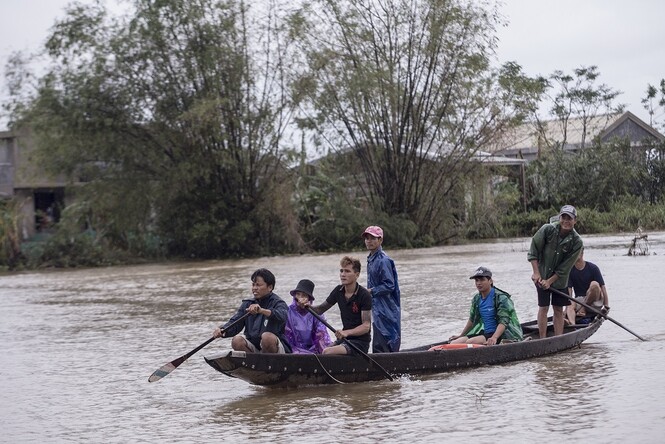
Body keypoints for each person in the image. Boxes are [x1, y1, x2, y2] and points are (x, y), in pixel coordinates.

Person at [528, 204, 583, 338]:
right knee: (543, 307)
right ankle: (542, 339)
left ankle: (558, 338)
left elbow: (565, 267)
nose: (566, 221)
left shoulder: (577, 242)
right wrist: (536, 273)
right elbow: (533, 250)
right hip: (542, 276)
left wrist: (550, 281)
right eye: (563, 217)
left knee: (558, 309)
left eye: (569, 218)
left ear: (574, 221)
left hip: (560, 281)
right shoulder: (547, 230)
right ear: (559, 218)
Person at [212, 268, 291, 353]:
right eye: (253, 285)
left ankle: (267, 363)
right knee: (237, 340)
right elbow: (235, 322)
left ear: (270, 287)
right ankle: (257, 363)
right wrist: (222, 330)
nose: (254, 288)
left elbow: (284, 316)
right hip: (255, 348)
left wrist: (262, 311)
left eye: (258, 285)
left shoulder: (278, 302)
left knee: (267, 337)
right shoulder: (247, 304)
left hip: (276, 349)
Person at [307, 256, 372, 355]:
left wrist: (346, 332)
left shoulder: (364, 295)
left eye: (347, 271)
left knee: (327, 352)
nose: (343, 275)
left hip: (360, 343)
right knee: (321, 351)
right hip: (345, 339)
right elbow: (320, 310)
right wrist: (307, 306)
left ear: (357, 275)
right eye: (341, 271)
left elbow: (366, 326)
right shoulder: (338, 291)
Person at [449, 267, 523, 345]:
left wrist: (494, 337)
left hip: (502, 335)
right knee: (454, 343)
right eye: (476, 280)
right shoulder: (476, 299)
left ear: (490, 281)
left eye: (482, 280)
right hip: (485, 333)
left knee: (470, 342)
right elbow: (472, 320)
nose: (478, 283)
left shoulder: (501, 298)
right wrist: (461, 335)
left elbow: (504, 321)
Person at [362, 225, 401, 353]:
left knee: (386, 337)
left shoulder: (383, 260)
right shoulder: (371, 259)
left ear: (380, 240)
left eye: (373, 238)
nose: (369, 241)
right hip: (378, 307)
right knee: (379, 338)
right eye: (367, 238)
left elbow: (390, 285)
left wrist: (371, 291)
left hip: (387, 308)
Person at [284, 279, 333, 354]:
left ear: (309, 298)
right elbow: (286, 335)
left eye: (303, 295)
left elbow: (321, 335)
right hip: (293, 349)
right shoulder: (288, 311)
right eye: (298, 294)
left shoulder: (317, 313)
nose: (300, 298)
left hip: (313, 350)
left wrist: (322, 353)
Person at [565, 248, 610, 325]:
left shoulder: (593, 268)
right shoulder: (570, 270)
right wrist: (566, 309)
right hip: (579, 300)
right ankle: (572, 324)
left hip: (595, 302)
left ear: (582, 254)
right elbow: (569, 290)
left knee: (594, 284)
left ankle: (583, 309)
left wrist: (606, 306)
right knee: (570, 303)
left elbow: (603, 287)